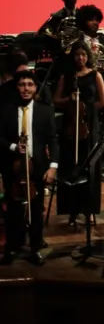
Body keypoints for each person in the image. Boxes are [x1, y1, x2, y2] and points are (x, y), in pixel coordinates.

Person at [0, 70, 58, 266]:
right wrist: (13, 147)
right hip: (12, 167)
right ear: (17, 88)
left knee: (36, 208)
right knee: (13, 209)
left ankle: (35, 248)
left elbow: (53, 140)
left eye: (29, 85)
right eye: (22, 85)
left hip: (38, 167)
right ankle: (12, 247)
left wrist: (53, 167)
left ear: (35, 88)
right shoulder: (6, 109)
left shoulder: (45, 110)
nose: (25, 88)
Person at [53, 42, 104, 224]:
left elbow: (103, 101)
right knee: (70, 166)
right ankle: (72, 210)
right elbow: (56, 100)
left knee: (89, 168)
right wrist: (70, 100)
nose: (80, 58)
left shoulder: (95, 75)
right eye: (77, 55)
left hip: (89, 126)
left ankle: (89, 210)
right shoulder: (66, 77)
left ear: (88, 56)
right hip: (70, 126)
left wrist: (85, 109)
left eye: (84, 54)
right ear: (73, 56)